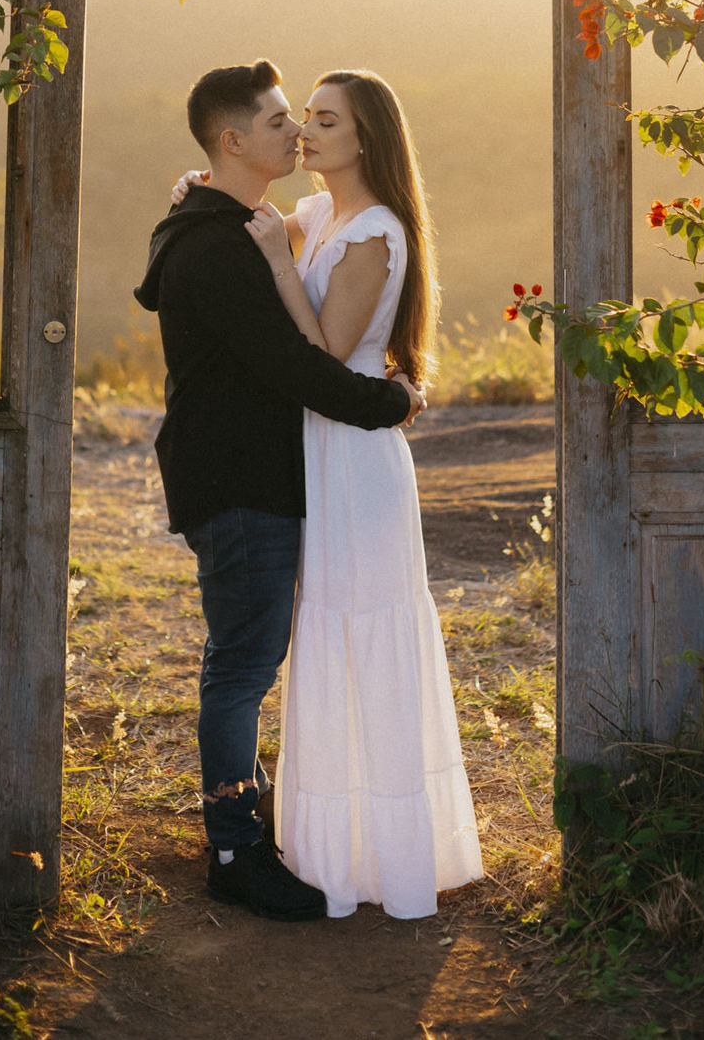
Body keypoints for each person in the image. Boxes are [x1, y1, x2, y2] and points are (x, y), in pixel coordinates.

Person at [178, 69, 483, 920]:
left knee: (360, 633)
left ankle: (380, 852)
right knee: (312, 642)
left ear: (367, 139)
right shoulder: (317, 214)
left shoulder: (372, 231)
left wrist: (277, 262)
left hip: (351, 455)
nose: (307, 131)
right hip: (310, 453)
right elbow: (229, 195)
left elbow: (320, 354)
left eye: (325, 119)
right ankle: (320, 840)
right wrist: (197, 190)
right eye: (302, 116)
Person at [134, 58, 423, 924]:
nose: (293, 132)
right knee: (242, 667)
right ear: (232, 140)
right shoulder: (219, 244)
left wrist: (198, 189)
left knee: (246, 659)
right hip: (240, 479)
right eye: (277, 121)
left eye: (307, 119)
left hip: (254, 474)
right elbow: (295, 364)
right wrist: (390, 401)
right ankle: (234, 849)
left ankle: (253, 828)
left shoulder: (225, 218)